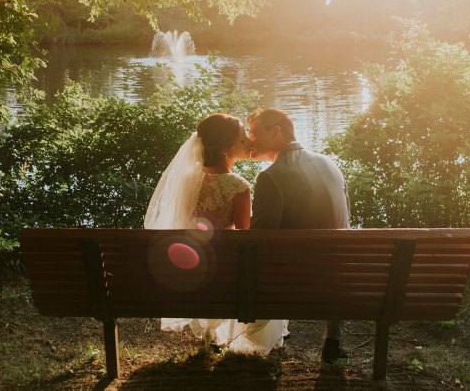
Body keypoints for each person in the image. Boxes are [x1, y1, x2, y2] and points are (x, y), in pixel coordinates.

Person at [144, 113, 287, 355]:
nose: (249, 143)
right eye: (243, 140)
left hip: (190, 272)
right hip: (225, 276)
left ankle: (211, 335)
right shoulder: (239, 187)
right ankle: (243, 338)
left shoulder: (187, 180)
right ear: (225, 150)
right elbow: (245, 239)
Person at [247, 108, 351, 363]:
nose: (251, 140)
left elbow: (258, 239)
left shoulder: (270, 176)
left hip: (299, 282)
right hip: (341, 279)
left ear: (276, 131)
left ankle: (248, 336)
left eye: (255, 133)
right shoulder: (330, 163)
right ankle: (333, 340)